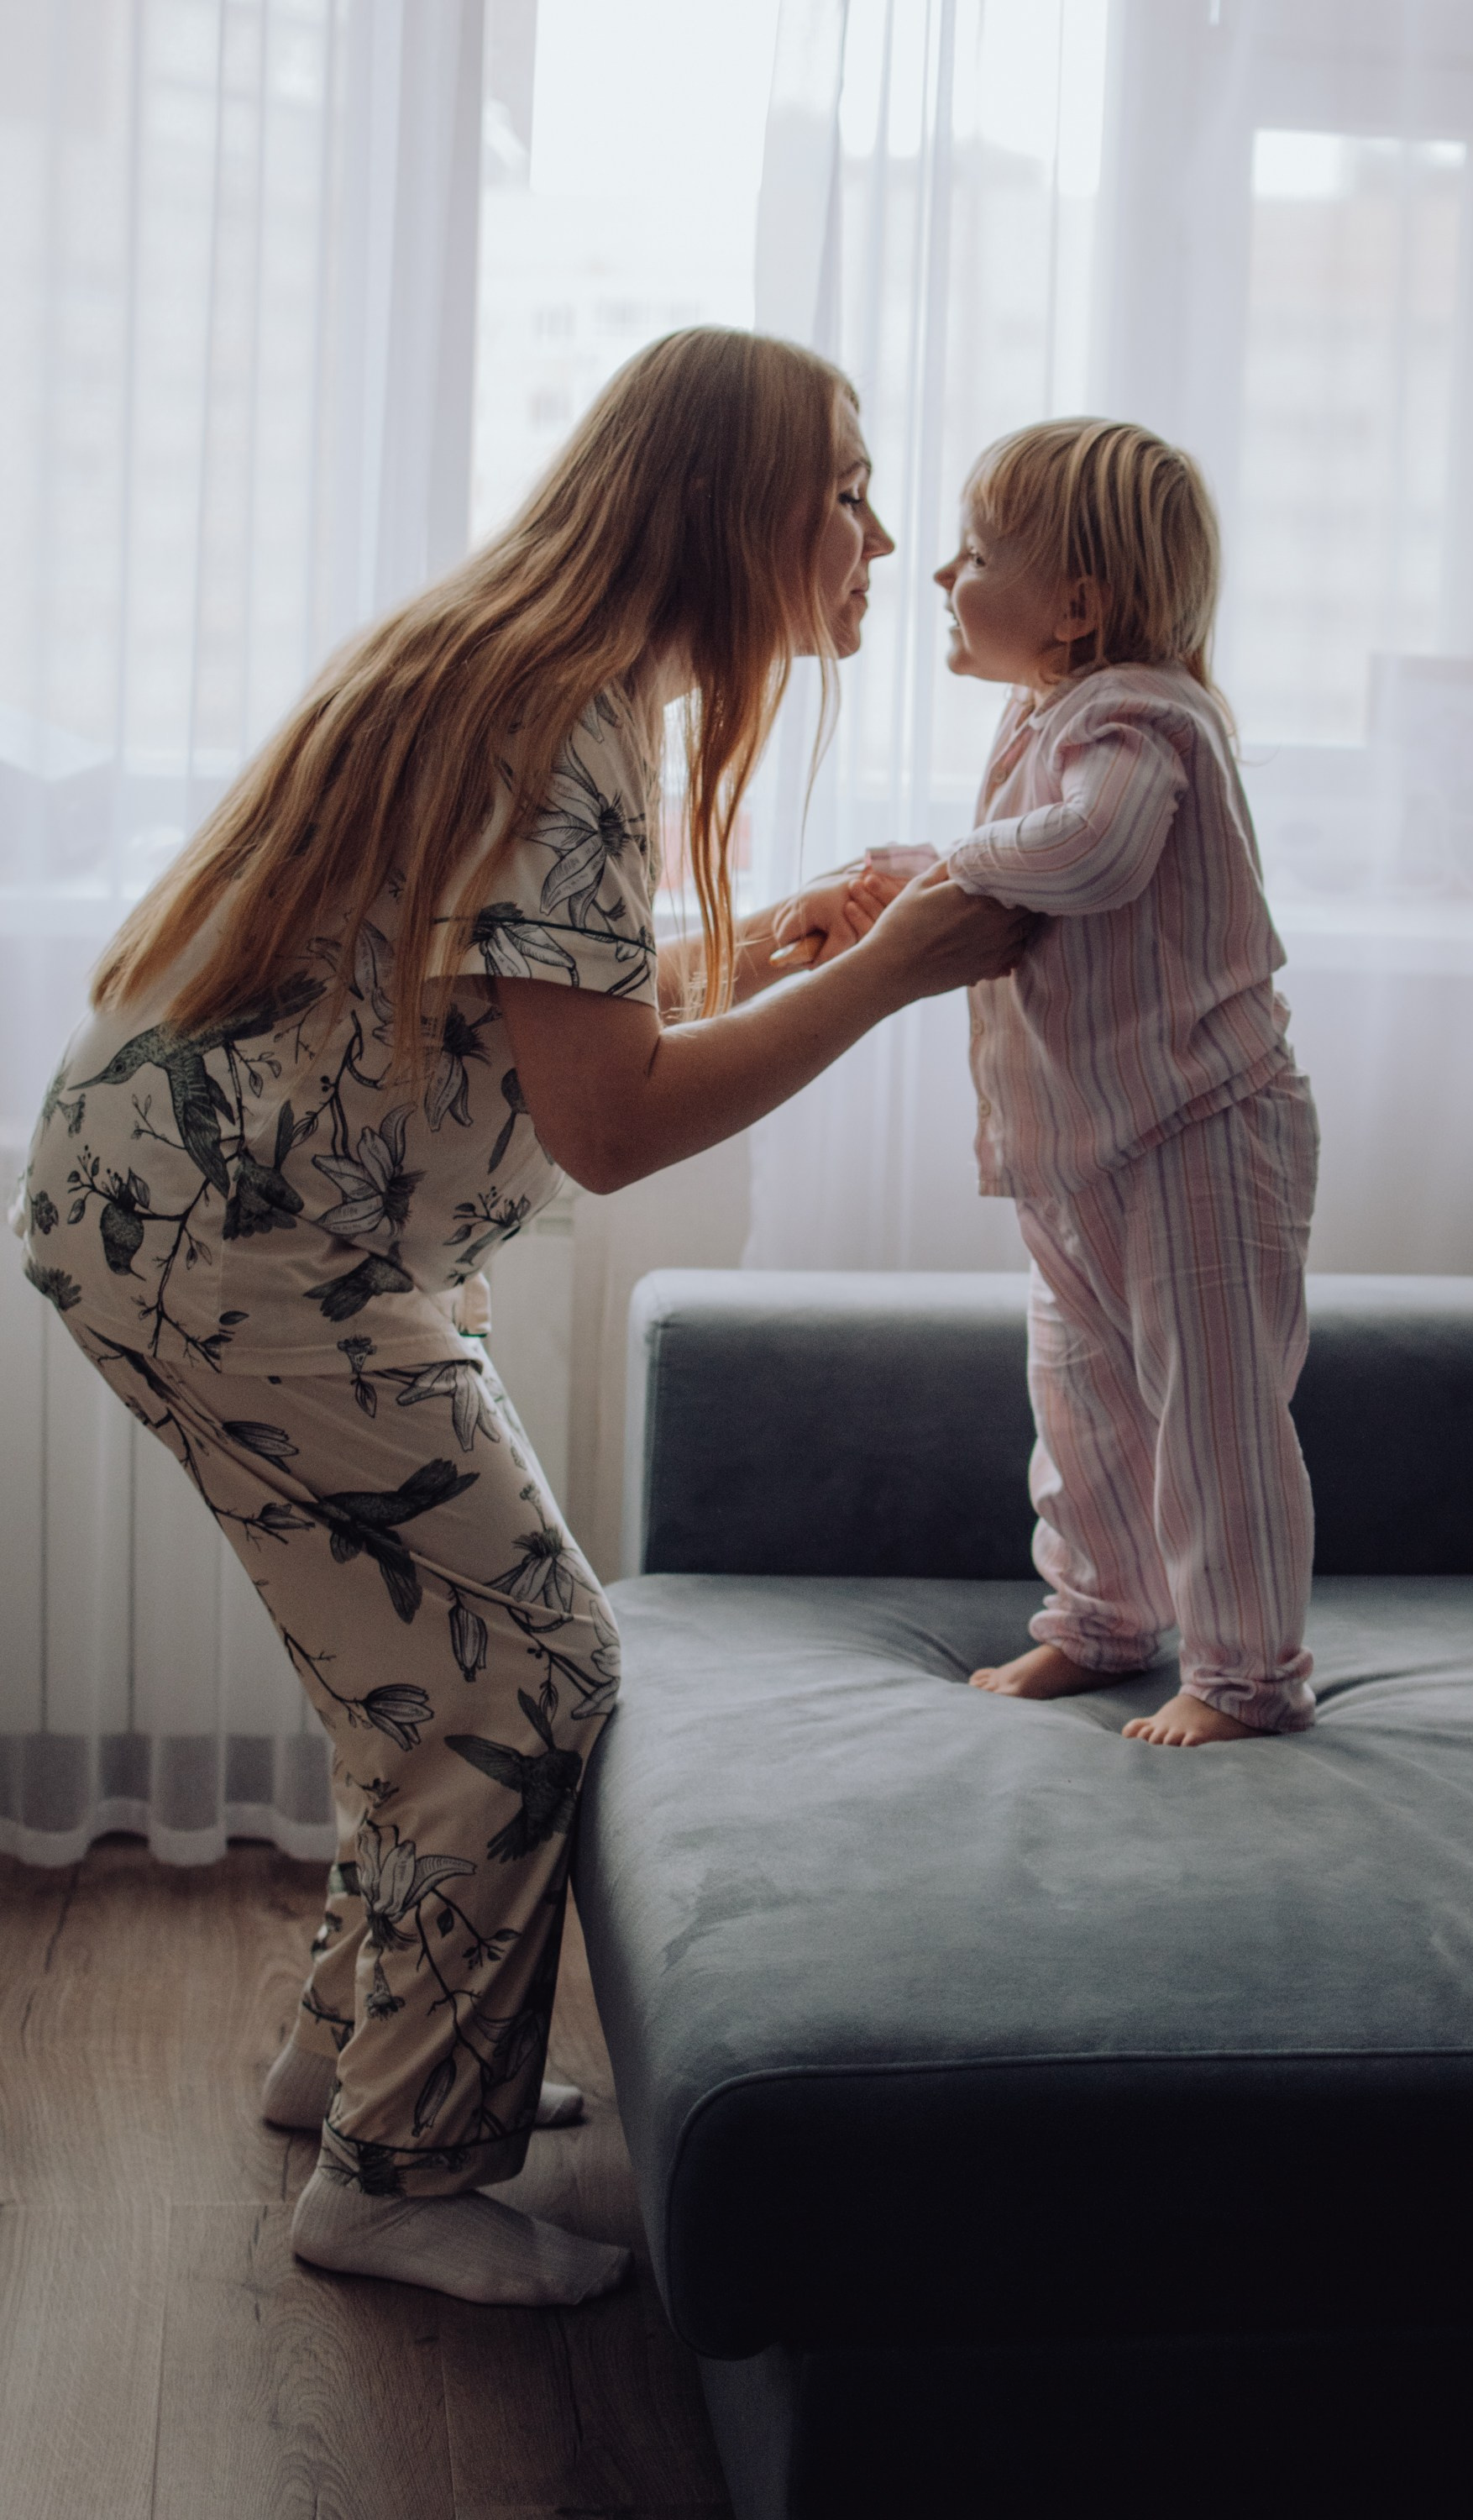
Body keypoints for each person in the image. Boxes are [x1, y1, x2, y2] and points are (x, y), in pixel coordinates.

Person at [16, 328, 1033, 2307]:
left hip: (186, 1215)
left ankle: (358, 2071)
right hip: (249, 1250)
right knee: (528, 1671)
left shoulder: (525, 671)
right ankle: (396, 2180)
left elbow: (510, 983)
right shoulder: (566, 716)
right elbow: (616, 1115)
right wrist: (897, 970)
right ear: (736, 506)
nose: (879, 536)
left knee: (437, 1673)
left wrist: (772, 933)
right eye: (843, 489)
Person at [791, 417, 1318, 1747]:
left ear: (1077, 605)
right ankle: (1101, 1622)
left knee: (1211, 1414)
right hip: (1088, 1144)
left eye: (972, 556)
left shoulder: (1140, 714)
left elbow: (1093, 855)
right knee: (1081, 1404)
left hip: (1201, 1126)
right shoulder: (1057, 716)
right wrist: (939, 863)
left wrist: (948, 868)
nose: (936, 577)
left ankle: (1247, 1676)